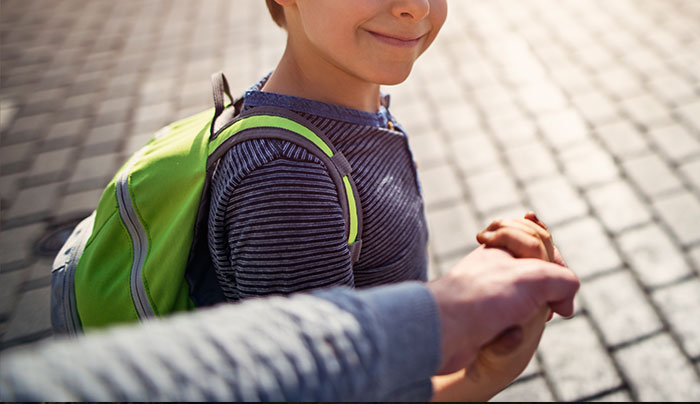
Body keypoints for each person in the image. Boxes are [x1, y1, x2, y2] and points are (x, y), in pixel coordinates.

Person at [202, 0, 574, 398]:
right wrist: (482, 376)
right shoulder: (285, 178)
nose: (416, 3)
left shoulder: (354, 111)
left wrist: (465, 303)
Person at [0, 240, 580, 402]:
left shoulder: (363, 118)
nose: (417, 2)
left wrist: (475, 363)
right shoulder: (287, 177)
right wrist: (446, 326)